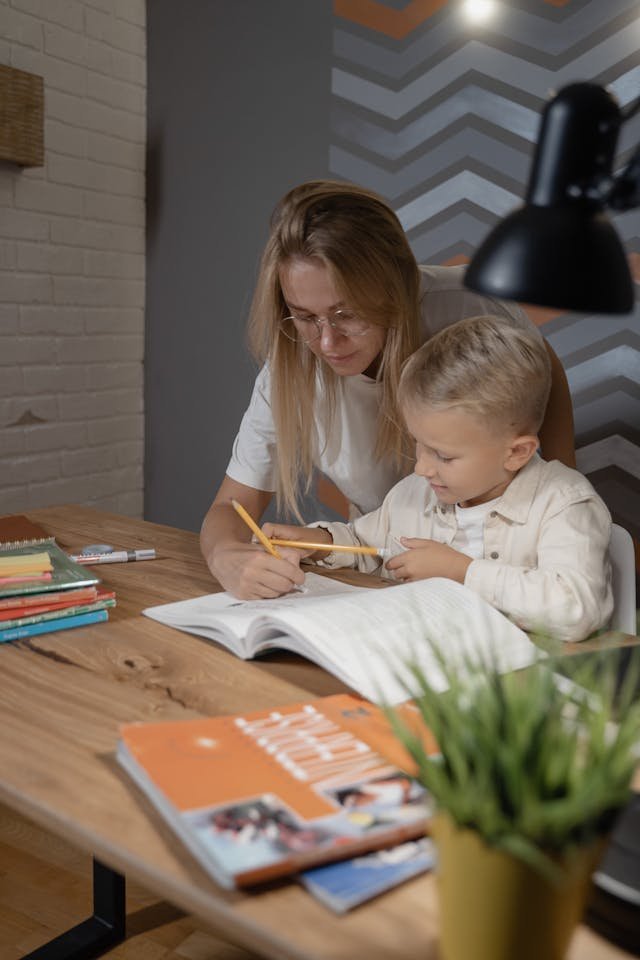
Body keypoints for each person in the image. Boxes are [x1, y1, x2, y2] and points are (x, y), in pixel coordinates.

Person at [200, 180, 576, 601]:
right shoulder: (288, 370)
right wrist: (227, 557)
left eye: (347, 314)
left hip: (504, 569)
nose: (326, 343)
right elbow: (231, 508)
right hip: (394, 566)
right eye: (304, 317)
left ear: (394, 290)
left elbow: (542, 366)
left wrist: (560, 486)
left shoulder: (467, 307)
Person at [263, 316, 613, 643]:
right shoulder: (415, 494)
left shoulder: (563, 503)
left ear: (516, 453)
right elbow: (365, 545)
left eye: (443, 455)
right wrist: (318, 541)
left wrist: (462, 573)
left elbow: (576, 608)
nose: (422, 468)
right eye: (419, 444)